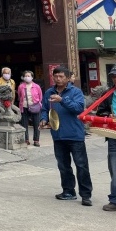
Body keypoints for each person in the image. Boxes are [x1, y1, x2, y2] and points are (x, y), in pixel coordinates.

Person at [40, 66, 92, 207]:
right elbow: (45, 108)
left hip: (75, 135)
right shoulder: (49, 92)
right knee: (63, 166)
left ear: (68, 78)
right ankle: (68, 191)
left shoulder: (76, 92)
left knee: (81, 165)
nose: (58, 79)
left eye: (61, 76)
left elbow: (79, 108)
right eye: (56, 76)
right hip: (58, 134)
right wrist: (44, 119)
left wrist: (62, 100)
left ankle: (86, 195)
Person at [97, 64, 116, 211]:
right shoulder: (108, 94)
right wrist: (107, 116)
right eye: (114, 76)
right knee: (115, 170)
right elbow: (100, 112)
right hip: (115, 136)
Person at [17, 70, 43, 146]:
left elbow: (40, 96)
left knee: (36, 124)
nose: (27, 77)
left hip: (35, 106)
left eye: (29, 76)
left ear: (32, 77)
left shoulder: (37, 86)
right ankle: (26, 139)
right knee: (24, 124)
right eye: (26, 76)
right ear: (23, 77)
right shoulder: (21, 86)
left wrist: (37, 103)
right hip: (24, 106)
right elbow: (19, 96)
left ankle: (36, 140)